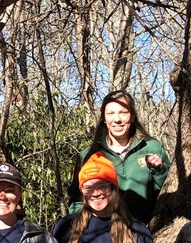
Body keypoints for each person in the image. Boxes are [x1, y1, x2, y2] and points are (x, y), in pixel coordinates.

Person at [67, 90, 170, 226]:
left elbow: (168, 193)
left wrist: (159, 170)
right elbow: (76, 199)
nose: (117, 119)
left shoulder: (152, 148)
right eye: (111, 113)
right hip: (100, 233)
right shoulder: (89, 155)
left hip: (143, 232)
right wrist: (83, 227)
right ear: (104, 118)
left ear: (132, 116)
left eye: (123, 112)